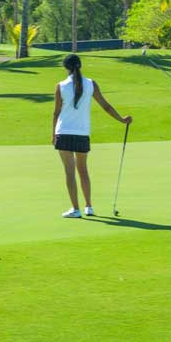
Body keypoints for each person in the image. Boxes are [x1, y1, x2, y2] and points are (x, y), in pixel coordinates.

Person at [50, 53, 131, 218]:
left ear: (66, 68)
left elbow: (56, 112)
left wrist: (53, 134)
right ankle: (89, 207)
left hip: (63, 132)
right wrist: (122, 120)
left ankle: (75, 209)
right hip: (82, 133)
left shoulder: (61, 85)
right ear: (80, 66)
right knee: (83, 170)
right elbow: (106, 106)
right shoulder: (91, 84)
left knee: (70, 172)